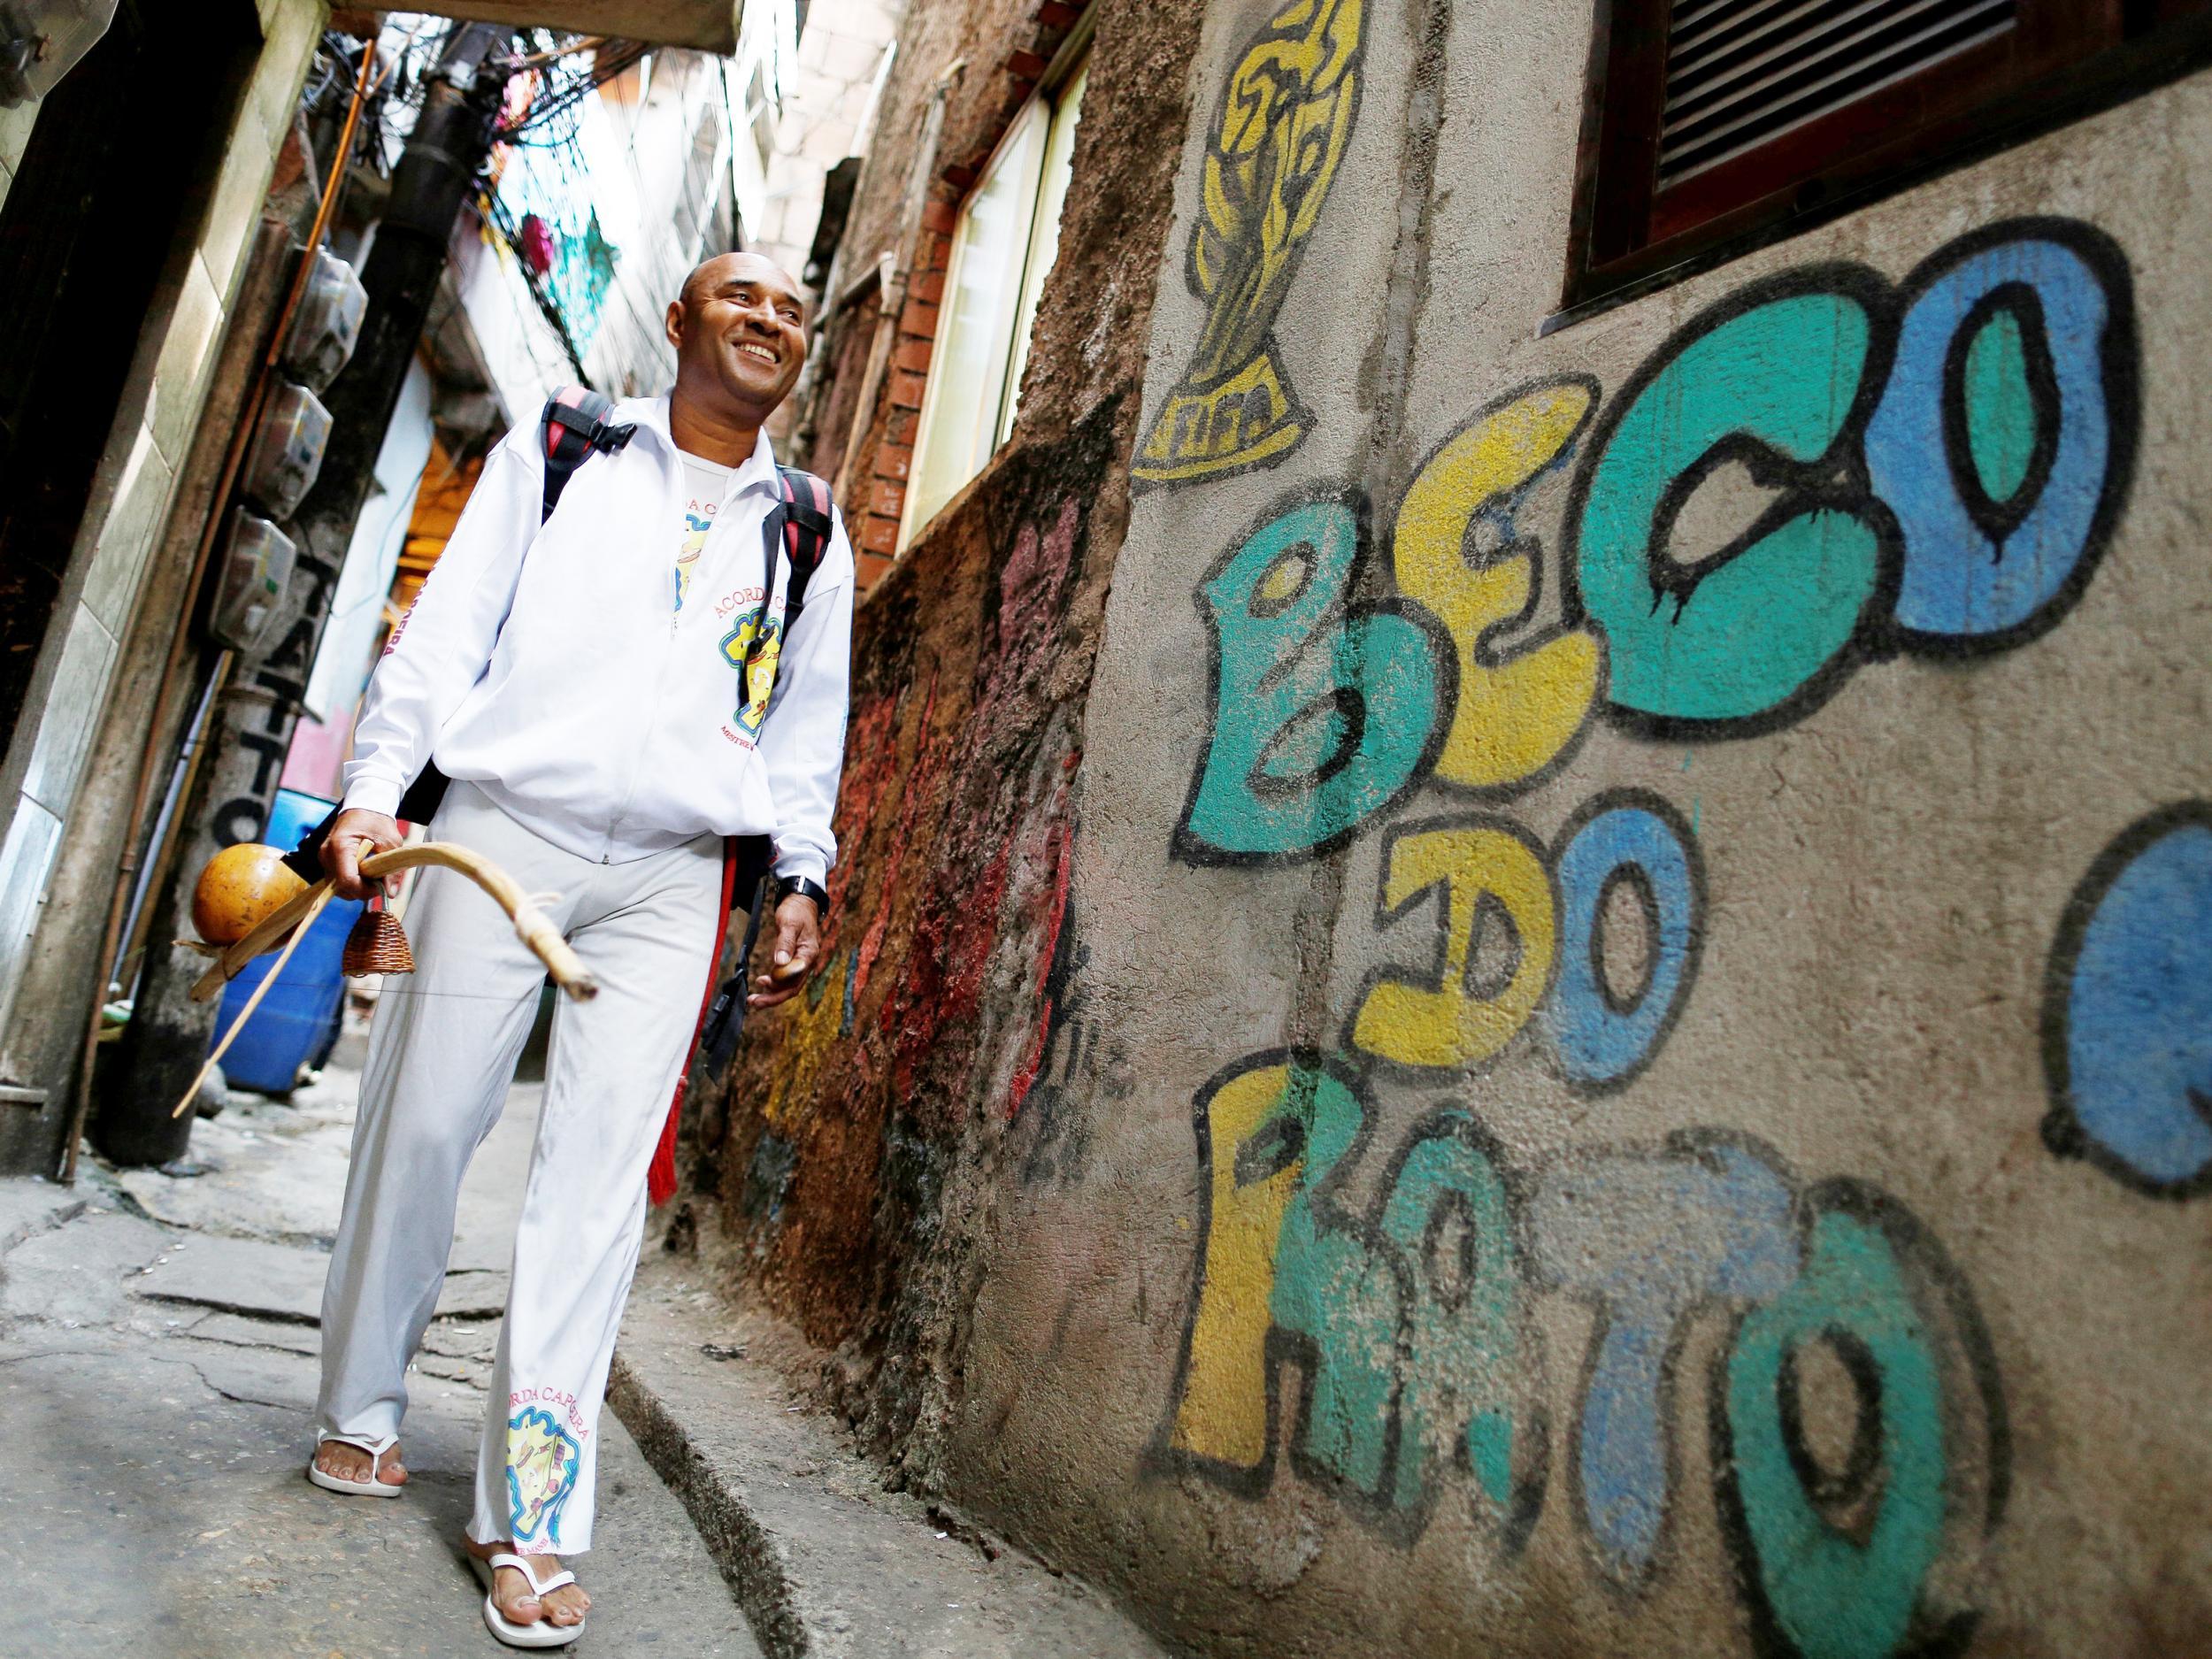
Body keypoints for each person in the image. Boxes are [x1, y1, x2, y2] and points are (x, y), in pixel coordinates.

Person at [305, 252, 851, 1646]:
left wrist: (801, 875)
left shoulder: (807, 523)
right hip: (504, 830)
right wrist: (377, 786)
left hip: (673, 877)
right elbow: (449, 634)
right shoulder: (567, 444)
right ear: (680, 323)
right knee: (426, 1126)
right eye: (741, 298)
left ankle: (531, 1514)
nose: (769, 320)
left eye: (792, 309)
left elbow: (805, 728)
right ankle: (363, 1402)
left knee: (596, 1198)